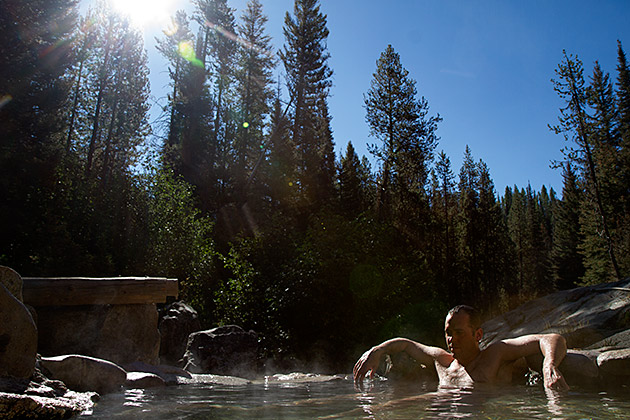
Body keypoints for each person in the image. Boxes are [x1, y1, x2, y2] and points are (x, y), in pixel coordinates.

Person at [353, 305, 569, 390]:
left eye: (459, 333)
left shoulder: (496, 354)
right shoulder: (442, 361)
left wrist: (549, 365)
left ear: (478, 335)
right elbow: (406, 344)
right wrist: (377, 350)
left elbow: (550, 338)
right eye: (448, 333)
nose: (451, 340)